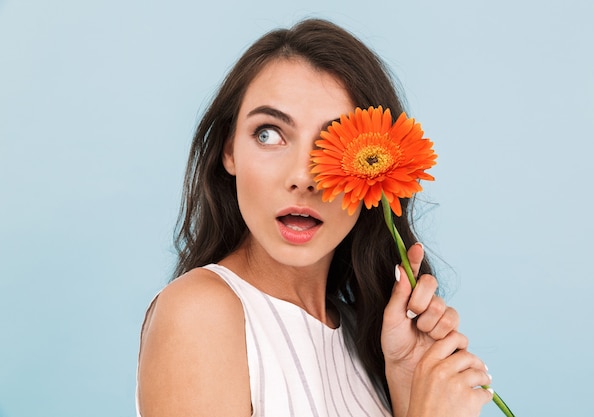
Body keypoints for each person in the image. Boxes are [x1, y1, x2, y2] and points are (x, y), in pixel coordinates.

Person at [136, 18, 493, 417]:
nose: (304, 177)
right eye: (268, 134)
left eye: (333, 142)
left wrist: (408, 387)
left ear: (379, 164)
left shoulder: (369, 338)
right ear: (229, 151)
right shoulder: (199, 313)